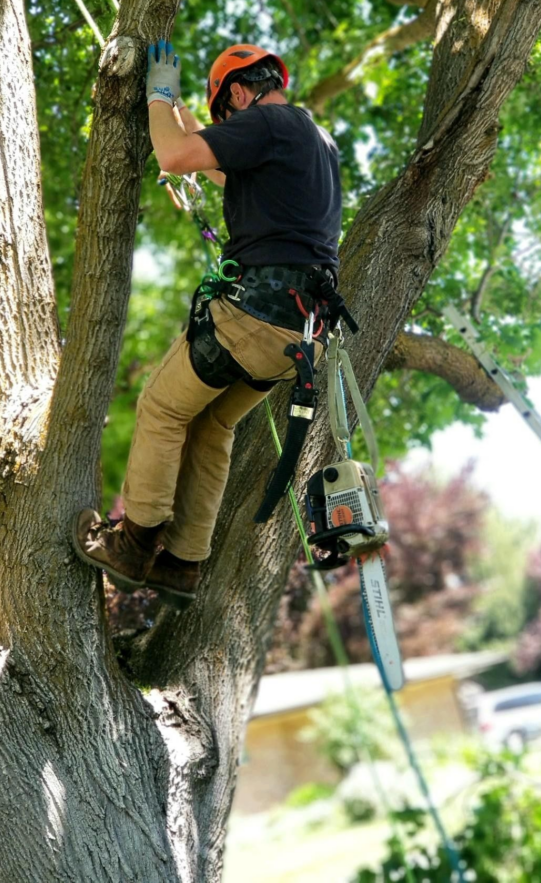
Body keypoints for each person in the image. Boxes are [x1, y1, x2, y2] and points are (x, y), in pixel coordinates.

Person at [73, 41, 342, 606]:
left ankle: (133, 545)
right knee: (212, 427)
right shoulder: (312, 139)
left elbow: (175, 157)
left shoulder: (266, 123)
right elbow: (218, 163)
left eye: (226, 112)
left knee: (163, 407)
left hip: (255, 317)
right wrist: (189, 120)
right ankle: (182, 566)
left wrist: (159, 96)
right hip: (301, 335)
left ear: (241, 94)